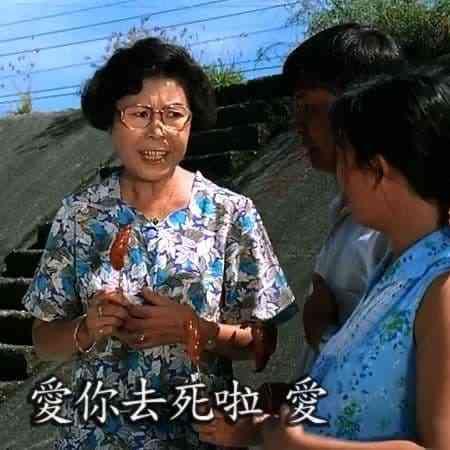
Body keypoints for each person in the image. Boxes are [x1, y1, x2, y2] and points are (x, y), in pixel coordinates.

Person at [22, 37, 297, 450]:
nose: (157, 130)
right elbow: (43, 339)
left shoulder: (230, 214)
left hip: (198, 437)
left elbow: (261, 341)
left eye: (173, 115)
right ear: (111, 121)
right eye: (139, 114)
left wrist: (198, 329)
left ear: (191, 121)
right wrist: (87, 328)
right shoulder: (79, 216)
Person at [199, 64, 450, 449]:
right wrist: (266, 425)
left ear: (377, 171)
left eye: (344, 159)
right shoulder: (397, 269)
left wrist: (298, 444)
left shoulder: (442, 288)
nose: (339, 177)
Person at [283, 23, 407, 357]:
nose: (298, 124)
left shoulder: (402, 226)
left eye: (308, 108)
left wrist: (321, 331)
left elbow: (399, 354)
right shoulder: (347, 211)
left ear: (362, 105)